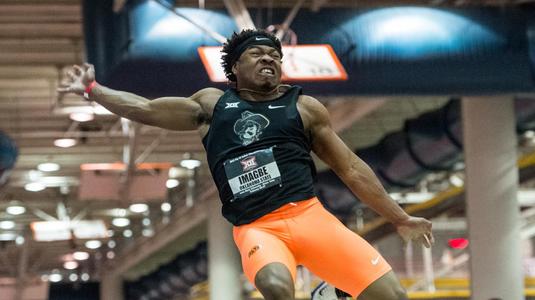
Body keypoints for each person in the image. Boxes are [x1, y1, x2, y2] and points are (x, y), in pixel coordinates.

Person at [58, 29, 434, 300]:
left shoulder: (303, 108)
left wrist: (399, 217)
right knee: (275, 287)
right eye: (258, 54)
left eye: (275, 55)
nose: (269, 58)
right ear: (235, 67)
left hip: (309, 217)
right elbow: (145, 109)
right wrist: (94, 90)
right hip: (258, 228)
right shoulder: (212, 106)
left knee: (392, 296)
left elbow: (350, 168)